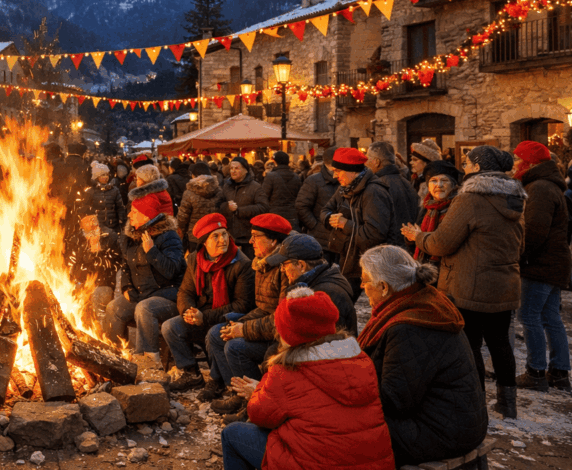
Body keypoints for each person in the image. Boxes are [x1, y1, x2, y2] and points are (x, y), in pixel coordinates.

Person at [406, 145, 525, 418]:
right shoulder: (514, 196)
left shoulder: (470, 198)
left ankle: (476, 402)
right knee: (499, 343)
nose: (465, 169)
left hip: (470, 283)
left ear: (478, 168)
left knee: (469, 345)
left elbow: (441, 242)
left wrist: (418, 237)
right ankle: (508, 404)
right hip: (504, 281)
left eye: (468, 164)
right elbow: (520, 242)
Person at [220, 287, 395, 470]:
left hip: (315, 464)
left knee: (232, 434)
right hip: (375, 464)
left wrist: (258, 391)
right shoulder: (361, 360)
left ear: (289, 334)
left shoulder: (287, 370)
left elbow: (260, 415)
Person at [357, 245, 487, 467]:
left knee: (337, 431)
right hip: (456, 422)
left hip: (442, 432)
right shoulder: (423, 301)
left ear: (384, 287)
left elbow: (395, 401)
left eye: (365, 281)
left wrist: (348, 389)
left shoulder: (409, 326)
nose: (361, 286)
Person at [205, 214, 293, 409]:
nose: (250, 241)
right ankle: (235, 390)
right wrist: (240, 324)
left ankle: (253, 399)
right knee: (217, 333)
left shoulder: (285, 268)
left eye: (256, 236)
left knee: (234, 346)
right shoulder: (262, 262)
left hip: (279, 336)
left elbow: (280, 319)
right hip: (264, 324)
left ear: (273, 240)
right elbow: (262, 308)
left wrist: (243, 329)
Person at [164, 213, 255, 392]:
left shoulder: (241, 263)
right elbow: (185, 291)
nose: (223, 240)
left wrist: (204, 317)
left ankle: (218, 380)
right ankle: (191, 373)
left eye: (224, 234)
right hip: (200, 315)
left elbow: (242, 305)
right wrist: (188, 311)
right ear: (205, 242)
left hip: (227, 318)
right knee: (170, 327)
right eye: (216, 236)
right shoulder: (194, 260)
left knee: (213, 332)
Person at [511, 141, 571, 392]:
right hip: (553, 262)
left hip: (541, 264)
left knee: (530, 316)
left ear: (529, 163)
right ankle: (558, 371)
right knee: (549, 316)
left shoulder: (540, 188)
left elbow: (534, 231)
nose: (514, 164)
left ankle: (535, 371)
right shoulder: (546, 185)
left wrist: (521, 256)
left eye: (517, 159)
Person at [101, 177, 185, 355]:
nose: (129, 215)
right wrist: (126, 287)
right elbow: (125, 265)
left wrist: (152, 252)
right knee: (113, 307)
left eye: (134, 211)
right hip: (141, 294)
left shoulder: (169, 237)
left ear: (147, 215)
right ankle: (112, 355)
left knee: (144, 308)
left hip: (168, 296)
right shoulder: (132, 236)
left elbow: (172, 271)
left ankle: (147, 358)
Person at [320, 147, 396, 297]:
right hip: (348, 258)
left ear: (352, 171)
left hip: (371, 263)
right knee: (342, 302)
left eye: (338, 171)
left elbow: (374, 234)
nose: (335, 176)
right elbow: (325, 210)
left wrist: (344, 224)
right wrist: (331, 218)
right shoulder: (344, 189)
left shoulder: (374, 192)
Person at [265, 233, 356, 335]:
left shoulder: (325, 294)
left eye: (284, 264)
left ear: (301, 265)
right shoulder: (320, 279)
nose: (282, 270)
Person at [403, 160, 462, 264]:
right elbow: (418, 243)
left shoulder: (458, 207)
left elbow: (443, 244)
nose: (439, 185)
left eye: (444, 180)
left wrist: (418, 236)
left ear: (453, 185)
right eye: (433, 181)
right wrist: (411, 239)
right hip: (425, 267)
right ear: (428, 185)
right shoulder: (427, 207)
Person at [295, 147, 339, 264]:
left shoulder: (346, 179)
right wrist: (315, 226)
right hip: (321, 239)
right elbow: (301, 206)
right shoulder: (314, 180)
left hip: (343, 239)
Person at [220, 156, 269, 258]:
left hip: (249, 238)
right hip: (230, 237)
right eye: (231, 168)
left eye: (236, 168)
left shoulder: (255, 187)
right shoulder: (226, 186)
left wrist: (239, 210)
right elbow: (219, 205)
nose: (233, 171)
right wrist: (227, 207)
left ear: (245, 170)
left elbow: (263, 207)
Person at [366, 141, 420, 229]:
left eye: (367, 158)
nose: (365, 162)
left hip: (391, 241)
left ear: (376, 162)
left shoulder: (378, 186)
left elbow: (378, 225)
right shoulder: (406, 182)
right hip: (406, 239)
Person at [177, 163, 228, 253]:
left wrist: (181, 231)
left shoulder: (189, 193)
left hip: (194, 235)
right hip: (213, 234)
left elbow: (183, 217)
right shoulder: (218, 191)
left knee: (196, 262)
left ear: (193, 175)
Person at [261, 151, 302, 228]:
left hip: (275, 214)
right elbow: (300, 196)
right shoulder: (296, 177)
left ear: (275, 162)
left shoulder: (271, 176)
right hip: (292, 214)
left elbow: (264, 196)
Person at [84, 161, 126, 233]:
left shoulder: (114, 190)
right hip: (97, 226)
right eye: (103, 175)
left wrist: (121, 219)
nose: (106, 177)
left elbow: (120, 207)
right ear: (97, 177)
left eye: (107, 174)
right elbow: (87, 208)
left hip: (113, 225)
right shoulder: (91, 191)